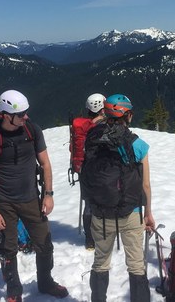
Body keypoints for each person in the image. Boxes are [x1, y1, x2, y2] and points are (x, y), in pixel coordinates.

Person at [0, 90, 68, 301]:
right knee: (8, 248)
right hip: (4, 203)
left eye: (26, 112)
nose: (25, 117)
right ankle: (14, 291)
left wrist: (48, 194)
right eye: (20, 114)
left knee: (44, 243)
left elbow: (45, 164)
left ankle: (45, 282)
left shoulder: (32, 130)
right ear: (6, 115)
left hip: (31, 199)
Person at [83, 94, 156, 302]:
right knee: (136, 265)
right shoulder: (137, 144)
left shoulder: (93, 138)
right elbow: (145, 184)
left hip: (100, 212)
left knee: (100, 262)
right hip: (131, 213)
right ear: (128, 115)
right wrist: (148, 213)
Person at [0, 107, 33, 255]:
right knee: (18, 214)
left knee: (9, 215)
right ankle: (24, 240)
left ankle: (20, 240)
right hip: (13, 182)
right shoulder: (0, 137)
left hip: (0, 185)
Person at [69, 93, 106, 250]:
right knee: (103, 201)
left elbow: (72, 148)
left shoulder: (80, 127)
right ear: (101, 108)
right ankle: (103, 235)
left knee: (88, 204)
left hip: (83, 169)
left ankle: (89, 240)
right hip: (99, 169)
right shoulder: (101, 126)